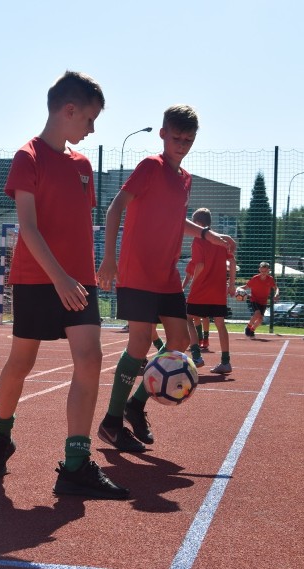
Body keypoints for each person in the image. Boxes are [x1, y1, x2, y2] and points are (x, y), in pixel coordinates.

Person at [0, 70, 128, 500]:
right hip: (37, 278)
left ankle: (76, 465)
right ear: (69, 110)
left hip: (77, 281)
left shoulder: (82, 164)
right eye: (90, 119)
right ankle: (1, 437)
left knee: (90, 358)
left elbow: (79, 226)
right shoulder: (28, 156)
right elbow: (28, 227)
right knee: (20, 363)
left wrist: (96, 268)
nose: (92, 129)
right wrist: (58, 277)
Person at [96, 105, 236, 453]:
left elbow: (176, 220)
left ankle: (136, 404)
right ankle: (112, 422)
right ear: (163, 134)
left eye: (188, 140)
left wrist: (208, 235)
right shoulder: (149, 167)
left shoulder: (184, 178)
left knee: (179, 340)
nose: (182, 145)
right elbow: (115, 208)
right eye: (176, 138)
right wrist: (109, 259)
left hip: (167, 275)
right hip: (137, 270)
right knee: (140, 343)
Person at [185, 208, 236, 375]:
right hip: (219, 289)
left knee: (188, 318)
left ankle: (197, 356)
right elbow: (233, 263)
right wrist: (232, 285)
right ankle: (226, 362)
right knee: (220, 324)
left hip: (202, 288)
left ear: (199, 224)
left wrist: (192, 284)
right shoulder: (222, 240)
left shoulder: (198, 241)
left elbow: (199, 265)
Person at [244, 261, 279, 339]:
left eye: (265, 271)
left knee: (260, 319)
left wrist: (276, 294)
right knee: (257, 314)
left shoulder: (270, 279)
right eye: (262, 271)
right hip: (254, 299)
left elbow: (276, 288)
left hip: (263, 301)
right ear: (259, 270)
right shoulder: (255, 278)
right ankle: (248, 327)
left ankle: (252, 330)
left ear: (268, 271)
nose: (263, 273)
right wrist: (238, 289)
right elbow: (246, 287)